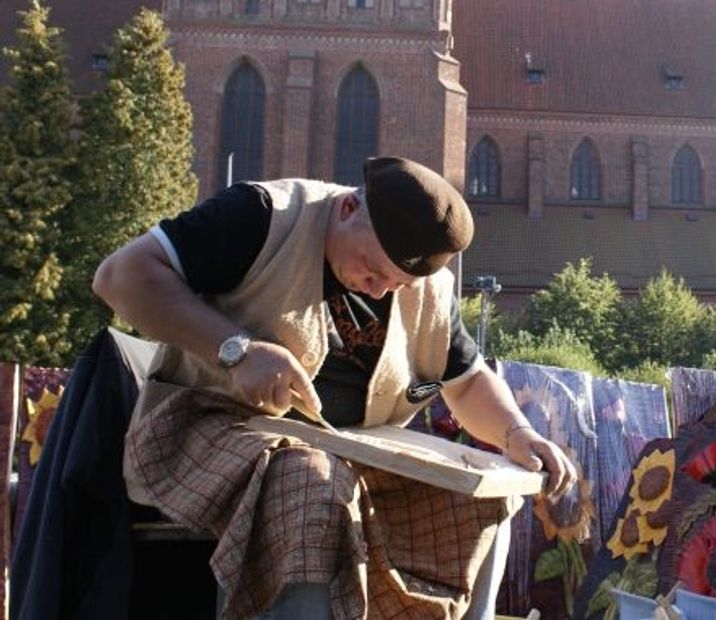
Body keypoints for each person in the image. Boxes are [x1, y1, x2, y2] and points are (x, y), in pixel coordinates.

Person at [93, 156, 575, 620]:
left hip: (355, 453)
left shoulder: (425, 287)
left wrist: (517, 434)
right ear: (348, 208)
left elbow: (466, 384)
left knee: (483, 498)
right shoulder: (263, 215)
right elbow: (120, 277)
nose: (379, 289)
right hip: (210, 423)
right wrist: (236, 349)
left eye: (398, 284)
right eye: (373, 267)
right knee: (312, 485)